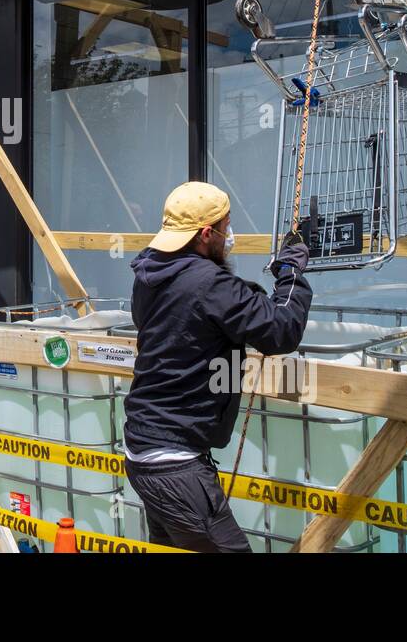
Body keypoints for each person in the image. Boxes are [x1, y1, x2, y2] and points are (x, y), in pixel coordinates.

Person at [123, 181, 311, 552]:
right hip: (174, 465)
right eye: (225, 228)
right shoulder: (210, 283)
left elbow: (203, 321)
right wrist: (291, 273)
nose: (229, 236)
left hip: (144, 451)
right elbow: (281, 331)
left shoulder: (150, 274)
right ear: (206, 233)